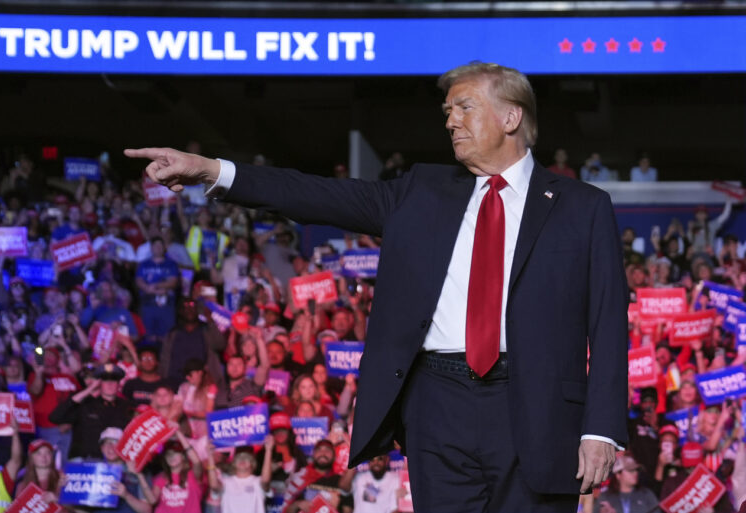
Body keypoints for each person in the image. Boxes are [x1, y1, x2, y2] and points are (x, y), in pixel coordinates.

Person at [126, 61, 629, 512]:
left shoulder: (582, 207)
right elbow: (316, 195)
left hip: (536, 408)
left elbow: (608, 325)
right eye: (447, 110)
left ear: (511, 117)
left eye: (464, 107)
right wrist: (212, 170)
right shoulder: (422, 191)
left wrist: (601, 427)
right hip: (438, 405)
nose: (450, 120)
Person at [49, 363, 134, 459]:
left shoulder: (128, 407)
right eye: (105, 381)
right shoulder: (85, 404)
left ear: (119, 384)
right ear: (98, 383)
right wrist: (89, 390)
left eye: (113, 381)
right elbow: (55, 417)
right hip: (85, 463)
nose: (110, 384)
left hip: (116, 461)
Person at [208, 435, 275, 513]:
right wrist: (210, 456)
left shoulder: (257, 481)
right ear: (233, 463)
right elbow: (214, 486)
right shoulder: (225, 482)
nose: (242, 460)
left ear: (252, 462)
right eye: (239, 457)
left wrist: (269, 450)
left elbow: (266, 480)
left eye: (247, 457)